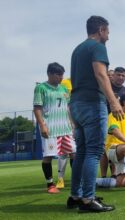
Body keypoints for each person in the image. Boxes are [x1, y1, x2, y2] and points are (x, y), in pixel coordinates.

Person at [67, 15, 124, 212]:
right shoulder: (98, 47)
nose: (108, 35)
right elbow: (100, 74)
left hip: (76, 104)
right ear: (100, 30)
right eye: (107, 31)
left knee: (82, 151)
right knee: (93, 151)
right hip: (92, 103)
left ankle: (75, 196)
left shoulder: (77, 49)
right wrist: (114, 100)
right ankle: (87, 200)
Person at [33, 62, 76, 194]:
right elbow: (37, 108)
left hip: (66, 128)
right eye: (58, 74)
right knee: (48, 156)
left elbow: (68, 107)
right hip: (50, 129)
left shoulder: (63, 89)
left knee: (74, 153)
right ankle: (50, 184)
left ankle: (77, 181)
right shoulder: (41, 88)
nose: (61, 77)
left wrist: (72, 123)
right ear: (50, 74)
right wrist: (42, 125)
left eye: (62, 75)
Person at [96, 93, 125, 191]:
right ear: (124, 102)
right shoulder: (115, 114)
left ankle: (93, 182)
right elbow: (113, 130)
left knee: (120, 183)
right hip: (113, 149)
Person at [100, 66, 125, 178]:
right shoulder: (105, 88)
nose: (121, 77)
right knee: (104, 150)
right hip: (103, 123)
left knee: (115, 148)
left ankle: (114, 174)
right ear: (113, 76)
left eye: (123, 75)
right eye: (118, 75)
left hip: (119, 124)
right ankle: (103, 176)